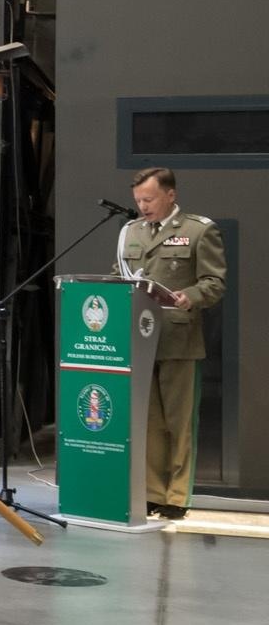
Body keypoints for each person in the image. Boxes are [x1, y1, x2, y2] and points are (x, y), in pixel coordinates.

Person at [115, 167, 227, 520]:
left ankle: (177, 497)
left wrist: (189, 295)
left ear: (170, 195)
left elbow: (215, 282)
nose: (142, 206)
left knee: (179, 423)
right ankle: (150, 493)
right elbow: (120, 276)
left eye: (148, 199)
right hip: (139, 338)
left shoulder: (199, 231)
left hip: (178, 339)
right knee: (147, 422)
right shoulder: (129, 232)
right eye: (138, 200)